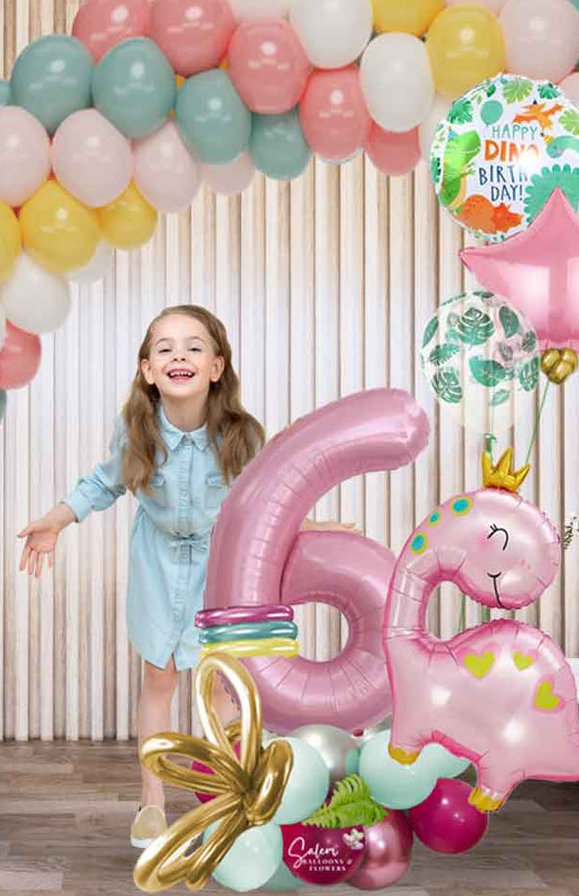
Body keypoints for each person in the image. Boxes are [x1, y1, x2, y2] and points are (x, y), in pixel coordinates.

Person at [18, 304, 353, 848]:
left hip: (222, 566)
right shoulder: (137, 431)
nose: (179, 354)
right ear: (148, 369)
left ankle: (224, 798)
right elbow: (103, 483)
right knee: (161, 678)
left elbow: (267, 502)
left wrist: (320, 529)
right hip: (157, 563)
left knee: (222, 683)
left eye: (194, 346)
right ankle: (152, 802)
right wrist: (57, 519)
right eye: (165, 347)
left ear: (217, 366)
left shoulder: (241, 435)